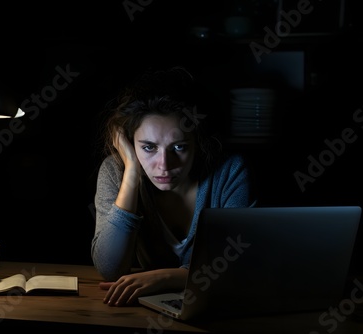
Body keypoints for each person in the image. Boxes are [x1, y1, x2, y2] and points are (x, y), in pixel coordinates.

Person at [91, 66, 254, 307]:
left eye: (179, 147)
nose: (164, 165)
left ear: (198, 142)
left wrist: (167, 277)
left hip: (218, 312)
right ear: (129, 143)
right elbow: (110, 267)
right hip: (138, 315)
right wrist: (133, 172)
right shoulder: (116, 171)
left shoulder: (229, 172)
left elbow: (239, 267)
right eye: (148, 148)